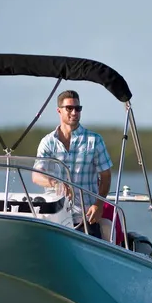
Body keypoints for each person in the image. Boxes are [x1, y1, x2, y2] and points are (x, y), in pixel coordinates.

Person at [32, 90, 113, 239]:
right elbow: (36, 176)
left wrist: (99, 205)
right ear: (59, 111)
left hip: (85, 217)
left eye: (78, 108)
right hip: (54, 217)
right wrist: (55, 183)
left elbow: (106, 176)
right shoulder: (47, 142)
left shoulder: (94, 140)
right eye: (69, 108)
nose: (74, 112)